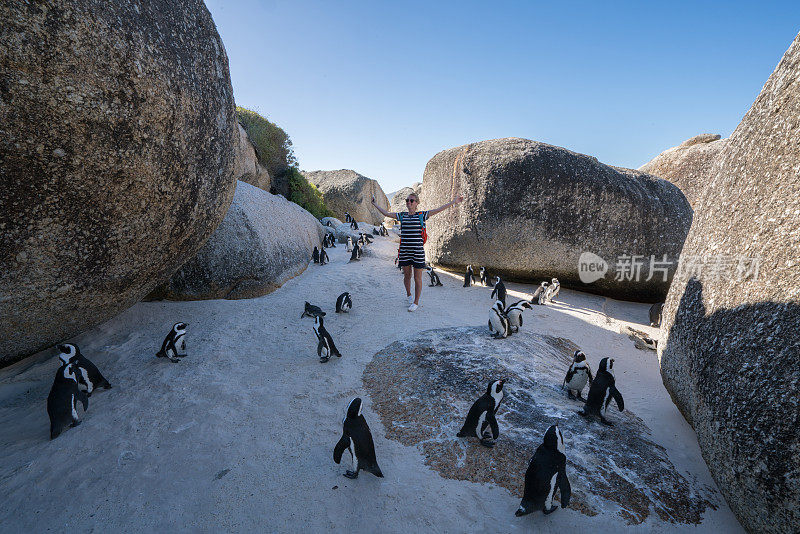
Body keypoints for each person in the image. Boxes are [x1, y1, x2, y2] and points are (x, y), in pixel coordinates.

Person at [371, 191, 464, 311]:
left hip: (418, 251)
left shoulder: (422, 215)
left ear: (416, 203)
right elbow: (386, 213)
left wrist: (453, 202)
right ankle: (409, 295)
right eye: (407, 200)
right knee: (407, 276)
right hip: (404, 251)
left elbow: (438, 209)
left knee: (417, 278)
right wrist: (374, 204)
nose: (408, 202)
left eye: (411, 201)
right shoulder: (402, 215)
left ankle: (416, 302)